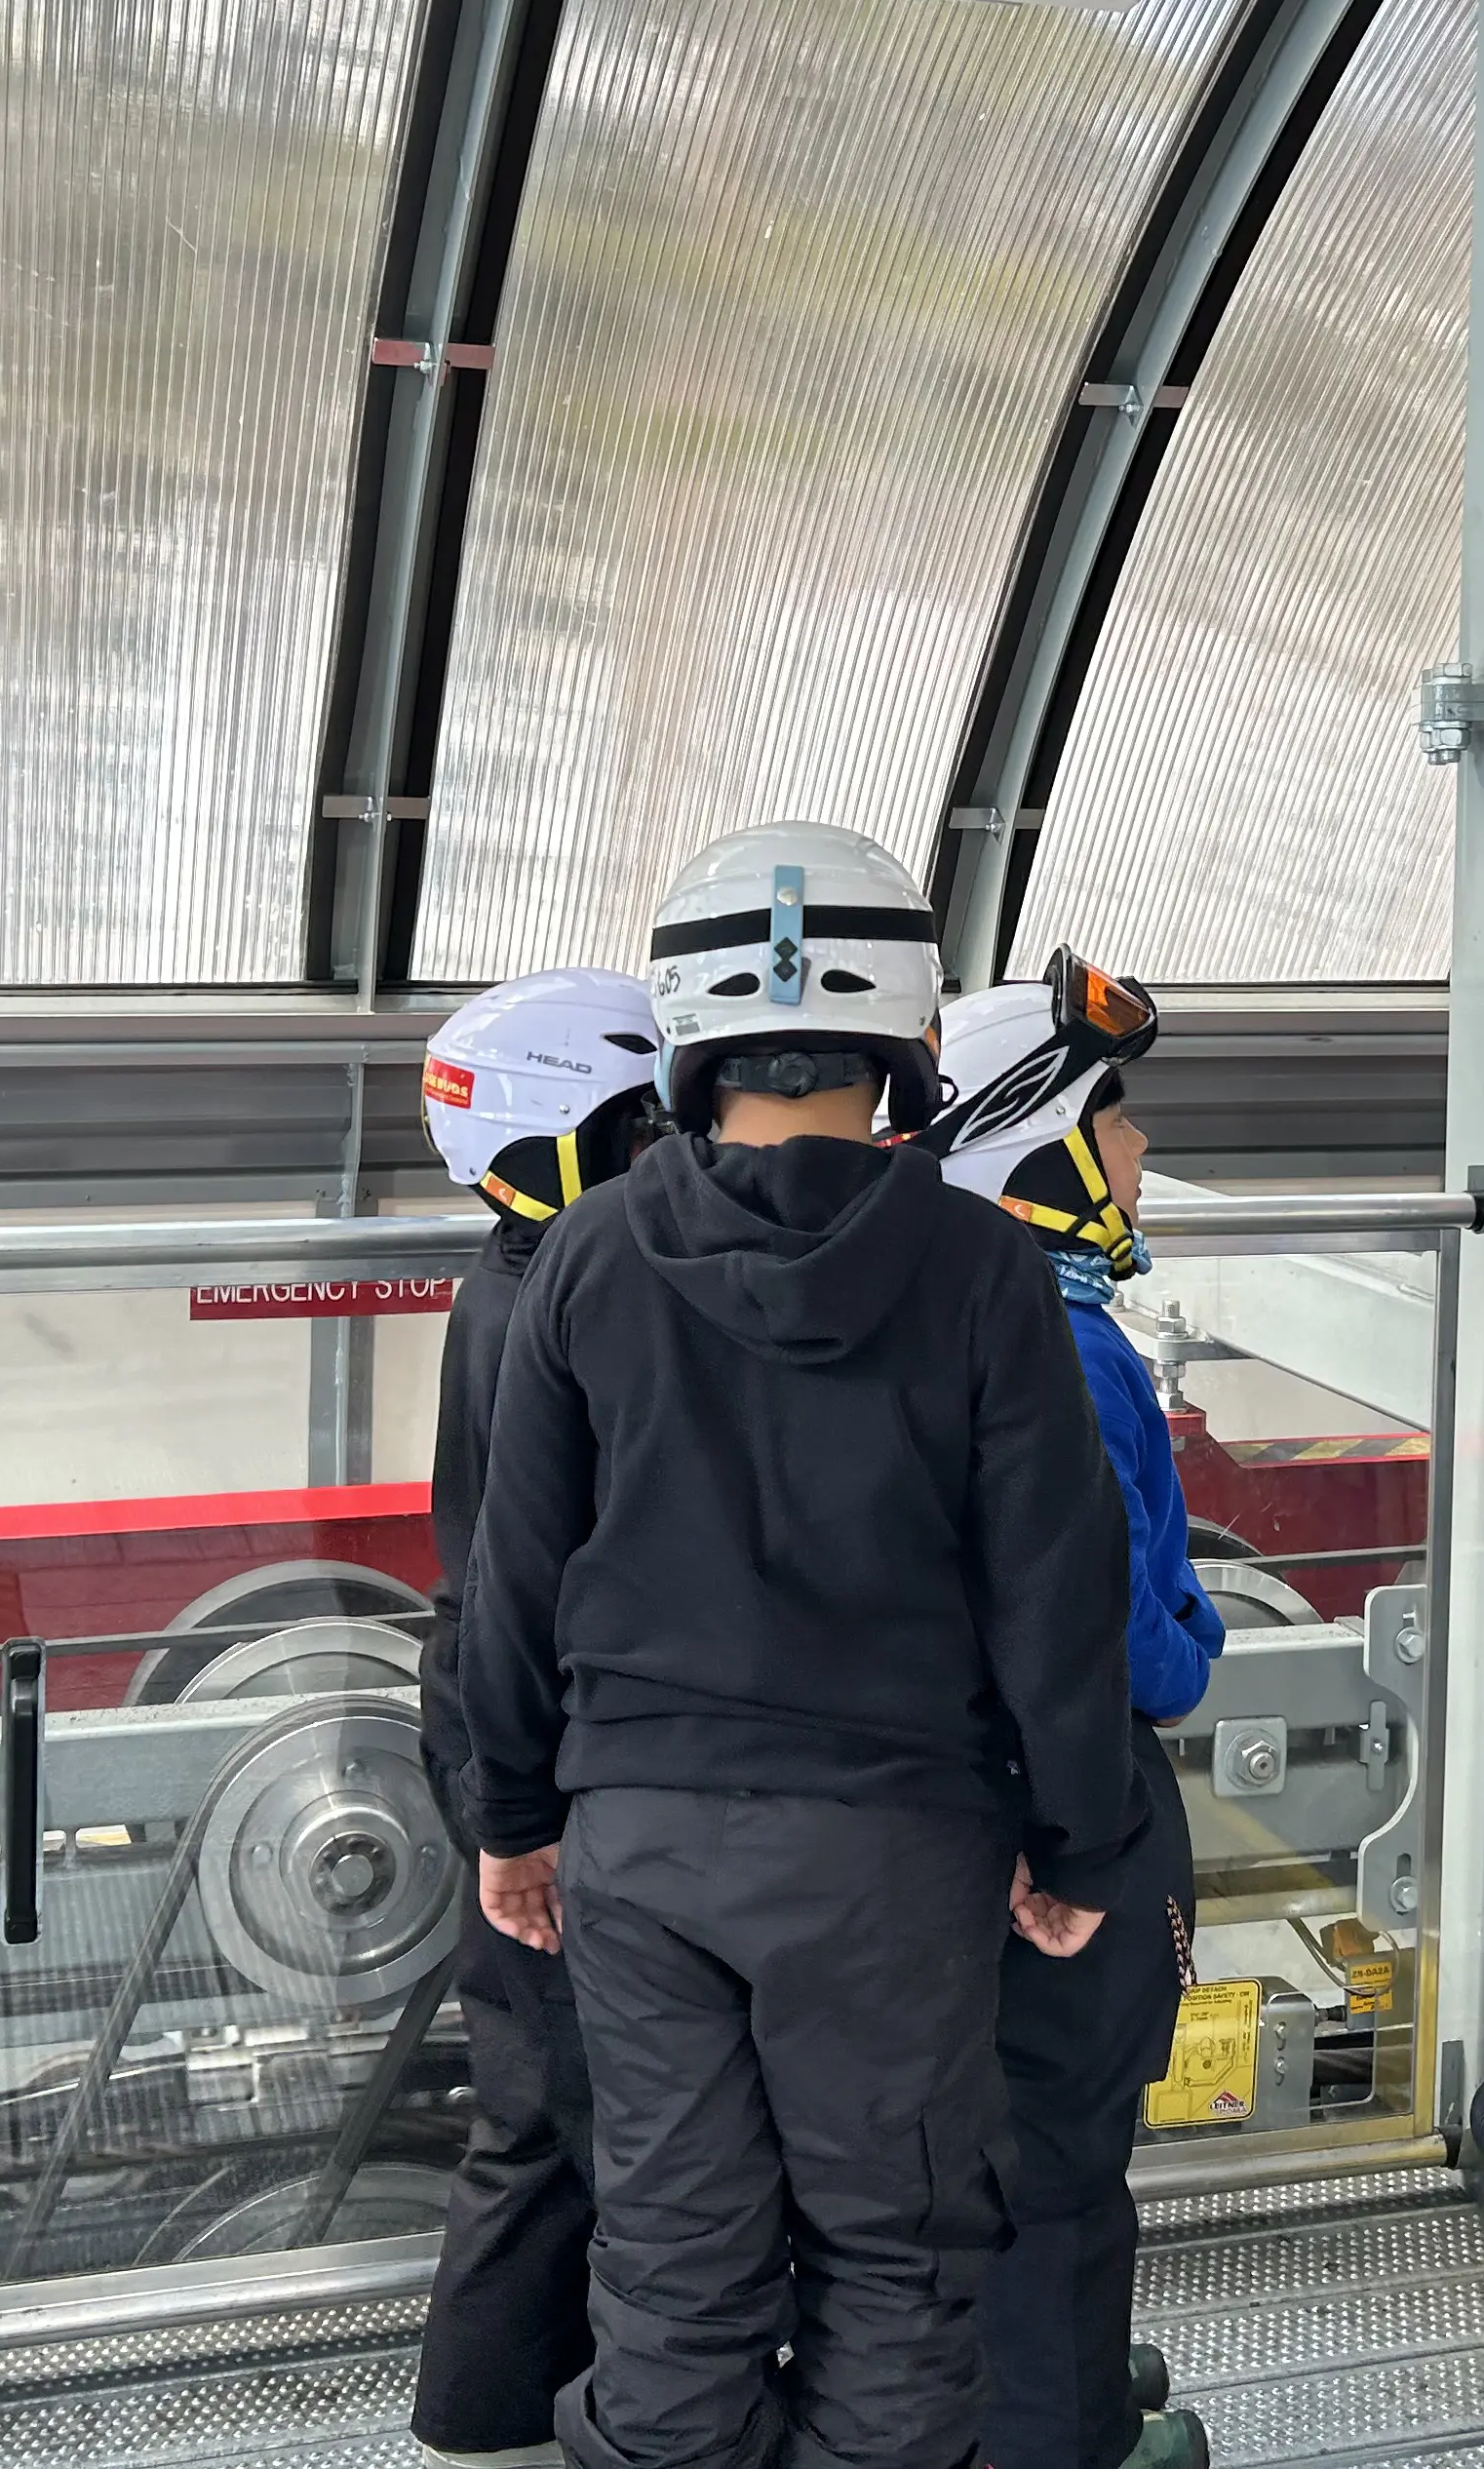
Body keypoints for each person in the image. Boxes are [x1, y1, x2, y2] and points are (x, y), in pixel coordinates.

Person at [457, 821, 1138, 2469]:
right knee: (895, 2267)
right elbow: (1058, 1584)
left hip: (643, 1843)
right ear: (905, 1034)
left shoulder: (591, 1256)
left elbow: (513, 1568)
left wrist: (514, 1817)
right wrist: (1078, 1838)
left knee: (674, 2262)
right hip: (896, 1854)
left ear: (687, 1042)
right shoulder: (983, 1267)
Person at [926, 958, 1221, 2469]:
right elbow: (1137, 1643)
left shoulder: (938, 1320)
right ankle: (1067, 2430)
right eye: (1114, 1118)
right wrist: (1204, 1636)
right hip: (1081, 1810)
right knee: (1067, 2162)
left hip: (943, 1822)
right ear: (1031, 1148)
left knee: (972, 2155)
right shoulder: (1080, 1348)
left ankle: (1031, 2395)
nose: (1141, 1148)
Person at [409, 965, 673, 2467]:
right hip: (545, 1760)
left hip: (492, 1731)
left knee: (536, 2120)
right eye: (642, 1126)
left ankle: (490, 2423)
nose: (667, 1155)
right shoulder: (566, 1312)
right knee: (591, 2124)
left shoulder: (509, 1281)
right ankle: (566, 2424)